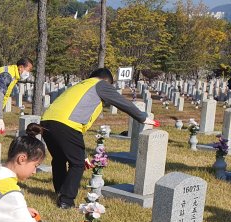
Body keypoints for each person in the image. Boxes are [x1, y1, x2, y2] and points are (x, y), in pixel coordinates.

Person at [41, 68, 155, 208]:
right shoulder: (100, 84)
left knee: (59, 159)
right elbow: (122, 102)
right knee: (76, 164)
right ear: (107, 81)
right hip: (67, 125)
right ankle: (66, 201)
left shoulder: (81, 85)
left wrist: (82, 154)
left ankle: (60, 192)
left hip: (46, 122)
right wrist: (142, 117)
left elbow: (74, 118)